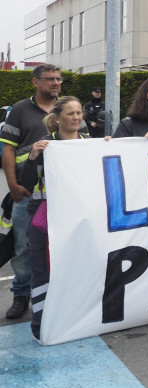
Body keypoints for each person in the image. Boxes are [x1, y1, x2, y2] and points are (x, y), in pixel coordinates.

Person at [23, 96, 90, 339]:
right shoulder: (44, 145)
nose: (76, 117)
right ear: (58, 117)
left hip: (80, 218)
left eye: (79, 113)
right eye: (71, 113)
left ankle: (75, 320)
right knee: (42, 270)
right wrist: (32, 158)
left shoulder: (90, 143)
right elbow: (27, 184)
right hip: (45, 218)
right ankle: (40, 326)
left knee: (79, 267)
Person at [0, 63, 62, 319]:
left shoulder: (66, 108)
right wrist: (13, 185)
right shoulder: (20, 110)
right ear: (36, 82)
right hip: (27, 193)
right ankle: (21, 294)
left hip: (61, 194)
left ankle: (55, 294)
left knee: (58, 245)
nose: (56, 83)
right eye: (50, 79)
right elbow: (8, 149)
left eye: (59, 79)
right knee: (23, 247)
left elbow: (84, 145)